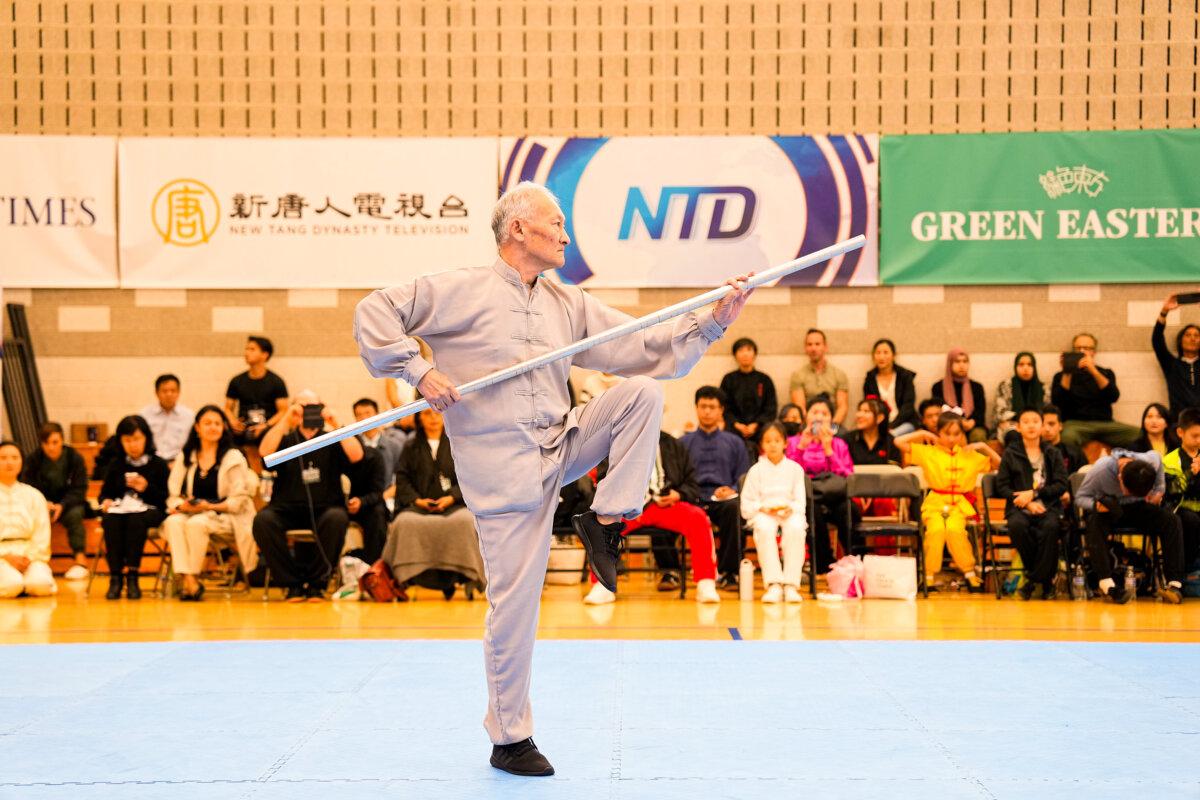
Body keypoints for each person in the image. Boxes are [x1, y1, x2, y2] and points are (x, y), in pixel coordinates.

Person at [354, 181, 751, 776]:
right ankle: (509, 737)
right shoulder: (457, 290)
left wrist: (712, 323)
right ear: (518, 228)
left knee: (641, 393)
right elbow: (374, 312)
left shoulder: (569, 304)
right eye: (557, 223)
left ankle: (606, 518)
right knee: (514, 608)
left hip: (560, 442)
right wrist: (418, 370)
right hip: (501, 472)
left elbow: (641, 342)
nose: (566, 235)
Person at [583, 430, 720, 605]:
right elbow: (603, 481)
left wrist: (678, 494)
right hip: (626, 506)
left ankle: (706, 582)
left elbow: (691, 484)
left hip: (664, 505)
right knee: (602, 522)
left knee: (698, 518)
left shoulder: (673, 444)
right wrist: (624, 497)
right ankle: (602, 585)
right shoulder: (617, 442)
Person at [254, 390, 363, 602]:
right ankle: (291, 584)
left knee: (337, 518)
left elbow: (357, 455)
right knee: (263, 521)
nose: (309, 411)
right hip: (286, 508)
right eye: (303, 406)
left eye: (314, 406)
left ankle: (317, 584)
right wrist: (287, 419)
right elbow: (264, 453)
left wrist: (336, 422)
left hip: (326, 507)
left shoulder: (332, 438)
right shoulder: (285, 439)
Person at [383, 407, 485, 599]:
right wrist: (417, 500)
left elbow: (471, 476)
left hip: (454, 505)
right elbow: (402, 479)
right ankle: (405, 579)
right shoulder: (410, 446)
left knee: (465, 522)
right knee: (404, 523)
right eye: (427, 414)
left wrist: (452, 497)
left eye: (437, 413)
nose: (433, 418)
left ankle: (465, 575)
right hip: (419, 507)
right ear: (419, 418)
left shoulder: (459, 444)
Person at [895, 413, 1000, 591]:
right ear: (939, 432)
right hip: (935, 504)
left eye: (956, 433)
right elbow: (898, 441)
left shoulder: (970, 455)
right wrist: (922, 433)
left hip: (959, 506)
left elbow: (1001, 465)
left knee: (954, 530)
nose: (951, 438)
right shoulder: (929, 452)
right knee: (935, 530)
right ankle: (928, 576)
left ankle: (969, 574)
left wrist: (984, 447)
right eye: (946, 433)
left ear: (962, 434)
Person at [162, 405, 258, 601]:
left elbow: (239, 501)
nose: (213, 427)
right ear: (197, 428)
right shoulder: (187, 455)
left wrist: (208, 506)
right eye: (207, 423)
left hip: (227, 515)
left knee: (196, 524)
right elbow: (173, 492)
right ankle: (190, 581)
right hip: (193, 512)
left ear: (223, 428)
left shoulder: (233, 457)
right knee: (173, 522)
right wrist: (181, 506)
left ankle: (190, 581)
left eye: (217, 423)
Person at [1075, 449, 1184, 604]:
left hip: (1138, 507)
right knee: (1094, 520)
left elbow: (1158, 461)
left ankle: (1174, 584)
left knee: (1171, 520)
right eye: (1127, 491)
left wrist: (1159, 490)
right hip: (1109, 509)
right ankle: (1107, 585)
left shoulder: (1151, 461)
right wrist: (1096, 505)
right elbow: (1080, 498)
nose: (1128, 494)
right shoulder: (1101, 470)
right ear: (1120, 477)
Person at [680, 386, 752, 591]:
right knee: (667, 505)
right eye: (703, 406)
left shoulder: (735, 443)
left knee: (734, 508)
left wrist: (731, 489)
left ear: (721, 410)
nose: (707, 411)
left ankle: (729, 573)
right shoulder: (683, 443)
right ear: (696, 408)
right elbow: (675, 477)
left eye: (712, 407)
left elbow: (744, 476)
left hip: (723, 498)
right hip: (692, 497)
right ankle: (670, 571)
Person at [995, 408, 1068, 600]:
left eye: (1035, 421)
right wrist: (1026, 503)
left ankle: (1032, 581)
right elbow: (1001, 486)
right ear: (1018, 427)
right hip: (1019, 508)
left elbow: (1061, 484)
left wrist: (1035, 494)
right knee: (1017, 526)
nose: (1031, 425)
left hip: (1048, 506)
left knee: (1051, 527)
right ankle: (1046, 581)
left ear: (1042, 426)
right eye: (1025, 421)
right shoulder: (1011, 453)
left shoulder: (1053, 453)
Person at [98, 416, 170, 600]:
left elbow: (166, 499)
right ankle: (115, 576)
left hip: (152, 510)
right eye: (127, 440)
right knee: (110, 519)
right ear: (120, 441)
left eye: (137, 439)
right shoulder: (116, 464)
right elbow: (105, 493)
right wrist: (106, 501)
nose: (133, 445)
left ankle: (132, 576)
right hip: (121, 510)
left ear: (146, 438)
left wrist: (146, 488)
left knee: (135, 520)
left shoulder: (159, 464)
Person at [785, 397, 856, 574]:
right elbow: (788, 473)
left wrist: (828, 449)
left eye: (824, 413)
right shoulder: (793, 442)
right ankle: (824, 563)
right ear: (806, 417)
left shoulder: (839, 443)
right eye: (814, 412)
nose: (819, 417)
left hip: (834, 495)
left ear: (831, 419)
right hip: (807, 495)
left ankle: (855, 561)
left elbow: (847, 476)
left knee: (849, 509)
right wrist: (802, 446)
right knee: (811, 509)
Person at [741, 423, 808, 603]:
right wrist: (761, 508)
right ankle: (774, 584)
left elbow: (800, 502)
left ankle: (791, 585)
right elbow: (747, 503)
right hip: (764, 512)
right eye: (768, 441)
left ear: (785, 443)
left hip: (789, 511)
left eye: (777, 440)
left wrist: (791, 508)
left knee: (796, 528)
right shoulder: (755, 470)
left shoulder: (795, 469)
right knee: (764, 528)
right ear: (762, 445)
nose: (772, 445)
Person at [19, 422, 89, 580]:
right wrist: (43, 503)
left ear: (62, 440)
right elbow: (27, 486)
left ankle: (80, 561)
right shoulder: (33, 459)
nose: (51, 447)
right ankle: (31, 561)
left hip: (68, 504)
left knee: (75, 515)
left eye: (55, 442)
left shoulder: (74, 458)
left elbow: (80, 489)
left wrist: (62, 505)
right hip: (41, 504)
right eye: (46, 443)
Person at [1051, 333, 1138, 449]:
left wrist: (1093, 370)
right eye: (1078, 348)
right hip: (1076, 424)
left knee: (1139, 435)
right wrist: (1067, 370)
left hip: (1106, 424)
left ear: (1094, 352)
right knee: (1067, 438)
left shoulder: (1106, 373)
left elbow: (1113, 396)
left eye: (1087, 348)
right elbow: (1057, 402)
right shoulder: (1061, 376)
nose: (1082, 351)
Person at [0, 441, 57, 598]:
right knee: (11, 585)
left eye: (14, 458)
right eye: (3, 458)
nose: (9, 462)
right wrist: (5, 556)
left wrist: (29, 558)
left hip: (29, 555)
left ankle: (25, 583)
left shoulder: (34, 495)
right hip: (2, 556)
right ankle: (18, 584)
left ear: (22, 462)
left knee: (40, 585)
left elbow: (42, 533)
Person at [225, 336, 290, 446]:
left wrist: (266, 425)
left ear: (265, 354)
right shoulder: (236, 380)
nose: (246, 353)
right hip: (243, 430)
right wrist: (233, 421)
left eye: (252, 349)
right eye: (246, 349)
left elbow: (283, 411)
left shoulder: (276, 381)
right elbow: (227, 408)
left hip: (268, 430)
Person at [719, 337, 777, 451]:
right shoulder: (728, 379)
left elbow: (770, 408)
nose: (745, 354)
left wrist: (756, 424)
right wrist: (737, 424)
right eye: (740, 350)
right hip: (733, 428)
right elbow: (723, 406)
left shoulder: (764, 379)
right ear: (735, 355)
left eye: (749, 350)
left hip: (760, 428)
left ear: (754, 354)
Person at [1163, 407, 1200, 574]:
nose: (1199, 440)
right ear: (1180, 432)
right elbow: (1172, 491)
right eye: (1195, 436)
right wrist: (1191, 473)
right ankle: (1188, 570)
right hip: (1180, 509)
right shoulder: (1169, 460)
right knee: (1191, 520)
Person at [1153, 294, 1200, 420]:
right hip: (1178, 422)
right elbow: (1157, 341)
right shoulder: (1171, 365)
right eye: (1188, 335)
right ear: (1181, 340)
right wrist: (1164, 311)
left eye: (1196, 335)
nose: (1192, 338)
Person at [789, 329, 849, 428]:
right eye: (809, 344)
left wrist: (831, 428)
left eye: (817, 344)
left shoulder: (839, 374)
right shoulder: (797, 375)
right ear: (805, 348)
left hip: (833, 424)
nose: (813, 348)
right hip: (807, 425)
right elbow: (800, 408)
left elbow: (842, 407)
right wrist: (813, 428)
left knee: (844, 435)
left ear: (825, 347)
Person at [862, 338, 918, 436]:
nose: (881, 357)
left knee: (889, 437)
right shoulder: (870, 379)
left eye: (885, 352)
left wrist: (892, 425)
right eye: (878, 353)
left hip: (904, 422)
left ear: (893, 355)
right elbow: (870, 406)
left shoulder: (905, 376)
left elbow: (908, 406)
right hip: (879, 423)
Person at [930, 348, 987, 443]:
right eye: (957, 361)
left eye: (965, 361)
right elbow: (939, 411)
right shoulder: (938, 387)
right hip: (948, 426)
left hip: (972, 426)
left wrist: (971, 422)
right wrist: (957, 423)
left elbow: (980, 412)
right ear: (950, 364)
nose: (962, 365)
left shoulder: (976, 387)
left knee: (978, 435)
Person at [139, 373, 194, 462]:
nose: (169, 394)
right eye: (164, 391)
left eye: (173, 390)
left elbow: (192, 443)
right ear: (156, 393)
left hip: (179, 462)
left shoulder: (189, 416)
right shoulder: (145, 415)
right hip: (152, 462)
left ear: (179, 392)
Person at [992, 352, 1044, 440]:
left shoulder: (1043, 388)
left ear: (1034, 368)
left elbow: (1046, 413)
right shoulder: (1005, 386)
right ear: (1015, 367)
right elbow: (999, 414)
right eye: (1021, 364)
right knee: (1014, 435)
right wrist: (1020, 421)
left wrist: (1029, 422)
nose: (1025, 368)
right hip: (1012, 424)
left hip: (1036, 424)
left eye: (1029, 365)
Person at [841, 398, 900, 466]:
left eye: (866, 411)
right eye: (859, 410)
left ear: (879, 418)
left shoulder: (890, 442)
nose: (859, 415)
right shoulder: (847, 439)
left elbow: (894, 469)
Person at [1041, 405, 1088, 477]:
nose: (1047, 429)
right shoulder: (1034, 454)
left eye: (1051, 424)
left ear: (1060, 426)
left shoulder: (1075, 453)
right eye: (1042, 424)